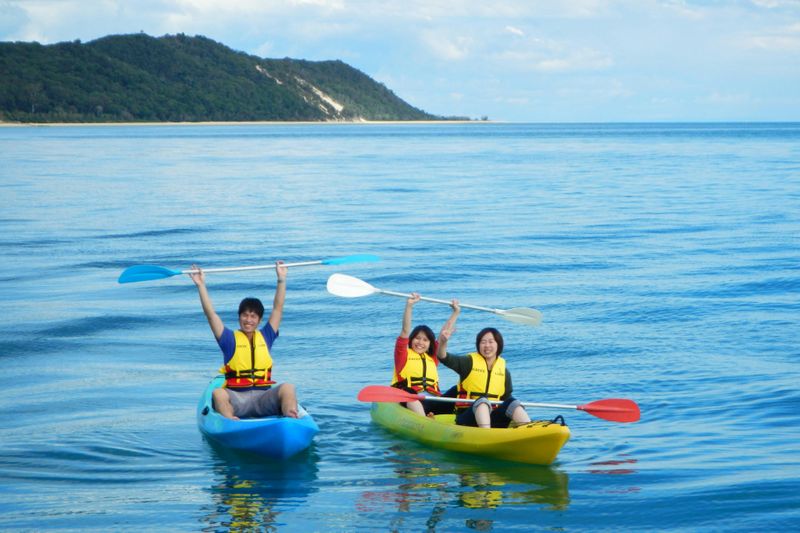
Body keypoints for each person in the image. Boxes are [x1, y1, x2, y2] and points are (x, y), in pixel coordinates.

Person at [189, 261, 298, 421]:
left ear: (259, 320)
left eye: (253, 316)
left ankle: (291, 417)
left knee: (288, 388)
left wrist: (281, 279)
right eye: (245, 315)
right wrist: (201, 285)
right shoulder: (228, 339)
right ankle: (230, 421)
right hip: (236, 400)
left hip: (263, 398)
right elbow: (211, 314)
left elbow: (278, 308)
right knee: (218, 393)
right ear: (239, 317)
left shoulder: (266, 335)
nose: (248, 320)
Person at [437, 324, 531, 429]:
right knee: (482, 402)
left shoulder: (504, 372)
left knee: (513, 402)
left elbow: (506, 400)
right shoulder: (468, 363)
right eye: (483, 342)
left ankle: (529, 430)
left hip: (493, 418)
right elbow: (443, 357)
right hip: (467, 418)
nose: (487, 345)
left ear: (498, 345)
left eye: (491, 341)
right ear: (478, 345)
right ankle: (486, 433)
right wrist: (443, 342)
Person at [391, 293, 460, 416]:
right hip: (413, 402)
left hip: (433, 401)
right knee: (408, 392)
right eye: (417, 338)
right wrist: (409, 306)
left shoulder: (432, 358)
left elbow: (444, 333)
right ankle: (424, 420)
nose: (420, 343)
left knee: (458, 389)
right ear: (411, 340)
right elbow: (405, 331)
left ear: (430, 344)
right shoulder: (403, 355)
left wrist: (455, 312)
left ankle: (461, 416)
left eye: (425, 340)